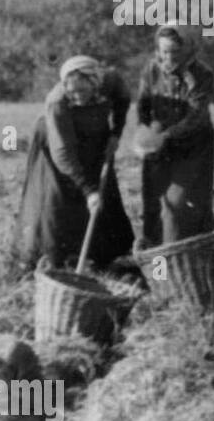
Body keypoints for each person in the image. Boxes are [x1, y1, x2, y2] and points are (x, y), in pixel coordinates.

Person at [15, 55, 134, 270]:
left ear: (95, 83)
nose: (77, 97)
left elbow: (123, 100)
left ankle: (104, 256)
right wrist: (89, 191)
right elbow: (63, 154)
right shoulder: (57, 102)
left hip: (96, 136)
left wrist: (116, 133)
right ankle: (54, 258)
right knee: (59, 197)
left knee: (105, 192)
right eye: (72, 92)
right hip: (57, 143)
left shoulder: (110, 80)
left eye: (83, 91)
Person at [135, 26, 214, 247]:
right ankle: (154, 254)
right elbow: (143, 103)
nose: (169, 57)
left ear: (188, 49)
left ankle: (184, 251)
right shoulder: (151, 69)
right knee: (153, 199)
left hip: (194, 144)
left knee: (179, 202)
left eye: (175, 52)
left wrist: (167, 135)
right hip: (159, 142)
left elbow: (196, 116)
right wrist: (144, 130)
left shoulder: (202, 74)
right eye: (165, 51)